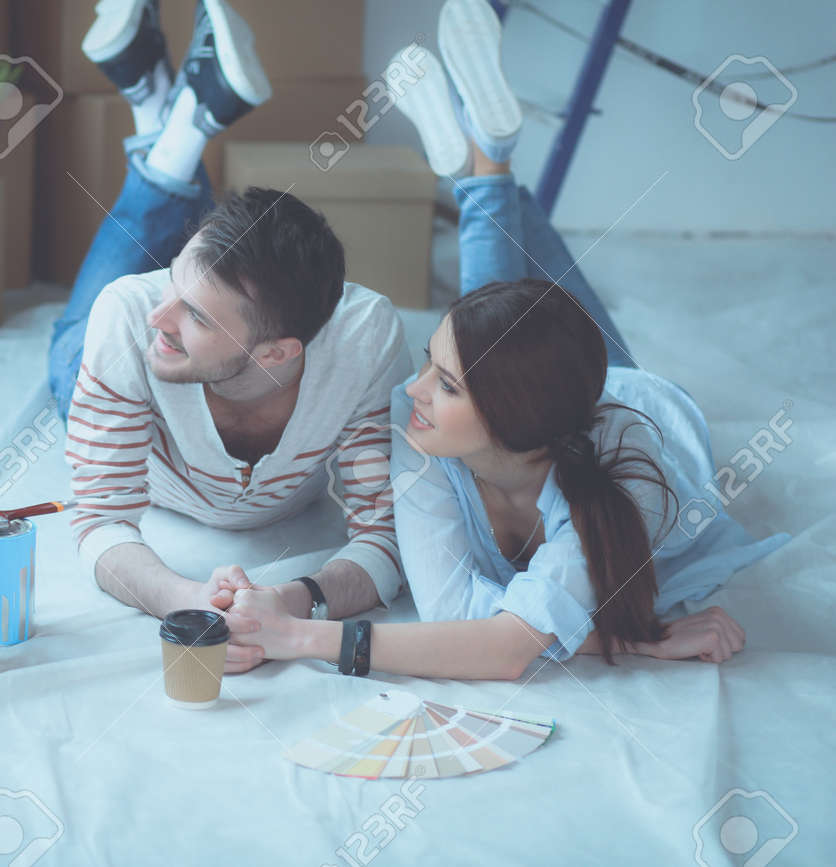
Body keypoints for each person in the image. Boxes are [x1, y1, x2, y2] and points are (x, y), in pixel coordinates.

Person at [226, 0, 788, 678]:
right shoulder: (419, 432)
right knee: (496, 317)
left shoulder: (623, 473)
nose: (411, 389)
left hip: (632, 404)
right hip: (564, 375)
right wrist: (633, 639)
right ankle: (487, 169)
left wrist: (302, 637)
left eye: (446, 383)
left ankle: (484, 169)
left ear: (513, 413)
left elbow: (501, 646)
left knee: (503, 322)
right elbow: (454, 617)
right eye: (429, 366)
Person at [49, 0, 414, 672]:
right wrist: (189, 599)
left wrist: (295, 599)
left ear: (280, 355)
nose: (163, 318)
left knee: (182, 284)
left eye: (197, 315)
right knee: (92, 323)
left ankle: (168, 117)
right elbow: (99, 520)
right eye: (172, 289)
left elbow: (386, 536)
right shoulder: (134, 318)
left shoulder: (366, 340)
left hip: (214, 360)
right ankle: (178, 128)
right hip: (96, 368)